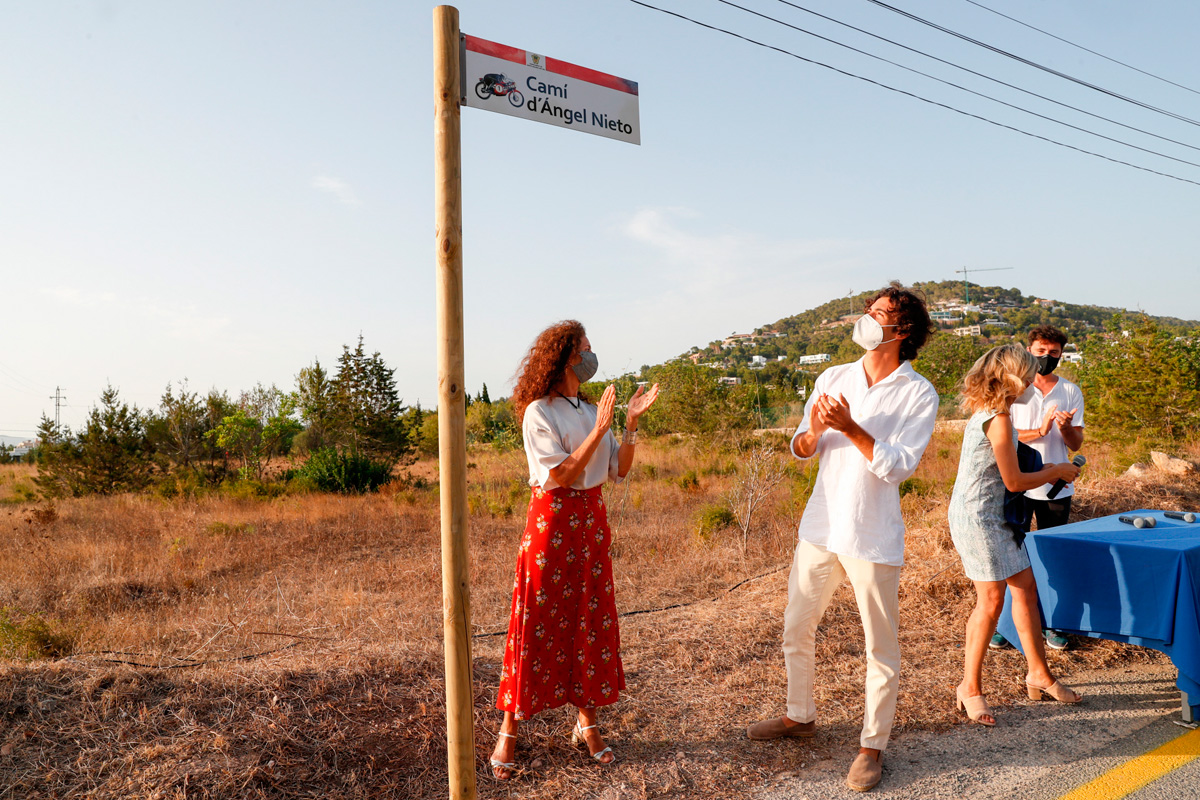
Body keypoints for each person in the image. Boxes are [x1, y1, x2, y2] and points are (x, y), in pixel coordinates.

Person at [747, 283, 939, 793]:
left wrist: (853, 427)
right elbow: (804, 446)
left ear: (904, 332)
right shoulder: (834, 376)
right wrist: (811, 432)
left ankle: (871, 746)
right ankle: (799, 715)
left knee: (880, 647)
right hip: (821, 526)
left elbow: (898, 466)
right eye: (869, 312)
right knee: (796, 626)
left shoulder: (918, 393)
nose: (869, 320)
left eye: (882, 315)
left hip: (872, 534)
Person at [489, 320, 659, 780]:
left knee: (589, 617)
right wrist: (598, 427)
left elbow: (617, 469)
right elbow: (561, 475)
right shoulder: (538, 412)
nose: (591, 354)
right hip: (552, 522)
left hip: (590, 523)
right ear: (565, 356)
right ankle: (509, 727)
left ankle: (587, 722)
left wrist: (627, 425)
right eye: (585, 347)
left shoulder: (587, 410)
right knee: (536, 618)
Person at [948, 344, 1083, 727]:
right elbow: (1015, 481)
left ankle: (1038, 673)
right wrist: (1055, 470)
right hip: (980, 519)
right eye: (1026, 372)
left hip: (990, 515)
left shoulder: (994, 412)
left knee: (1025, 588)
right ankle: (969, 688)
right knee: (990, 601)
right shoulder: (998, 418)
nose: (1031, 378)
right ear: (1011, 377)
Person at [990, 325, 1084, 652]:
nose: (1047, 358)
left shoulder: (1070, 391)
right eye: (1041, 351)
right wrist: (1040, 429)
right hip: (1017, 483)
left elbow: (1075, 443)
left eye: (1054, 353)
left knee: (1051, 557)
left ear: (1061, 354)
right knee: (1011, 555)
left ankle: (1052, 624)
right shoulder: (1013, 390)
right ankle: (1005, 625)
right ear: (1029, 349)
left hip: (1056, 488)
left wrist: (1066, 428)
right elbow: (1004, 437)